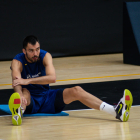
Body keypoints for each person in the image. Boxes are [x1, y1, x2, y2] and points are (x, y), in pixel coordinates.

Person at [9, 35, 133, 125]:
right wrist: (20, 95)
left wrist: (28, 80)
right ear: (24, 51)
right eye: (31, 50)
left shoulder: (45, 56)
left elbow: (52, 78)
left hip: (47, 98)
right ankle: (19, 111)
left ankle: (116, 111)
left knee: (76, 90)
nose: (35, 53)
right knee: (23, 91)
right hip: (30, 100)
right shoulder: (17, 61)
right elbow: (17, 82)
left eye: (37, 49)